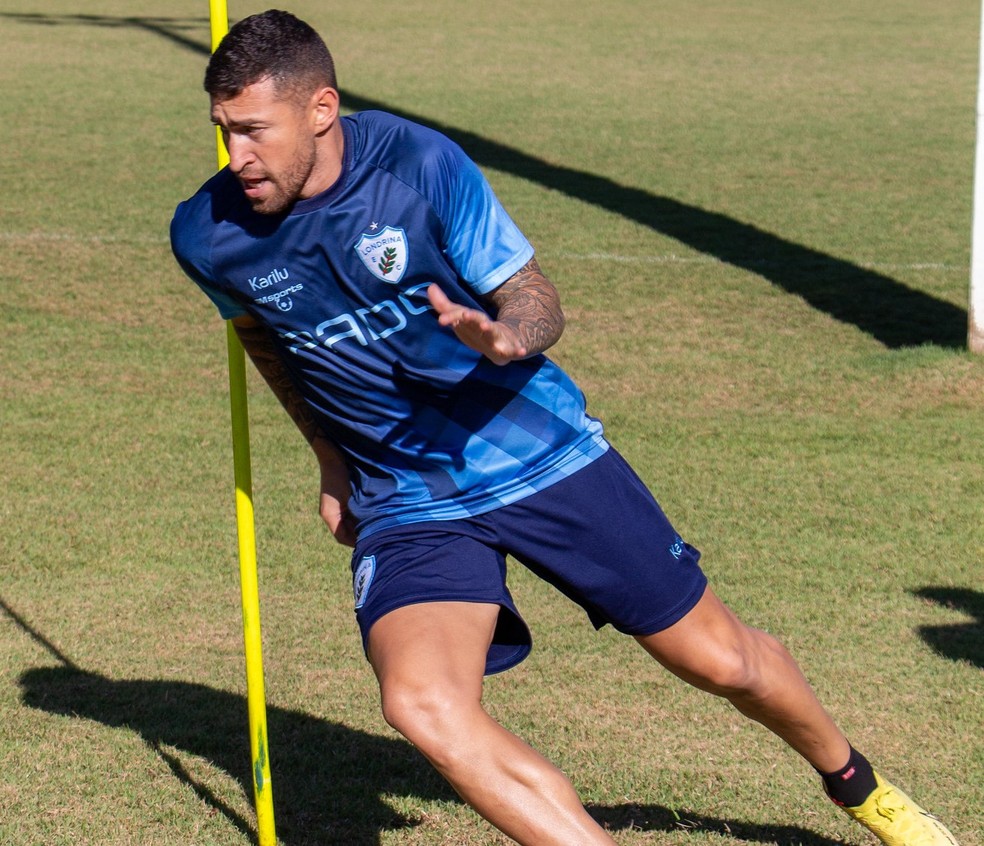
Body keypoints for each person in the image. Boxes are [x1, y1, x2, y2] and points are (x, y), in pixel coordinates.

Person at [171, 10, 959, 846]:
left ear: (322, 108)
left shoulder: (419, 163)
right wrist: (329, 456)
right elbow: (264, 336)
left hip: (535, 451)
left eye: (254, 131)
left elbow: (532, 293)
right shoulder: (207, 234)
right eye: (224, 132)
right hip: (406, 496)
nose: (237, 157)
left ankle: (858, 786)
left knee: (720, 661)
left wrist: (512, 336)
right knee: (421, 705)